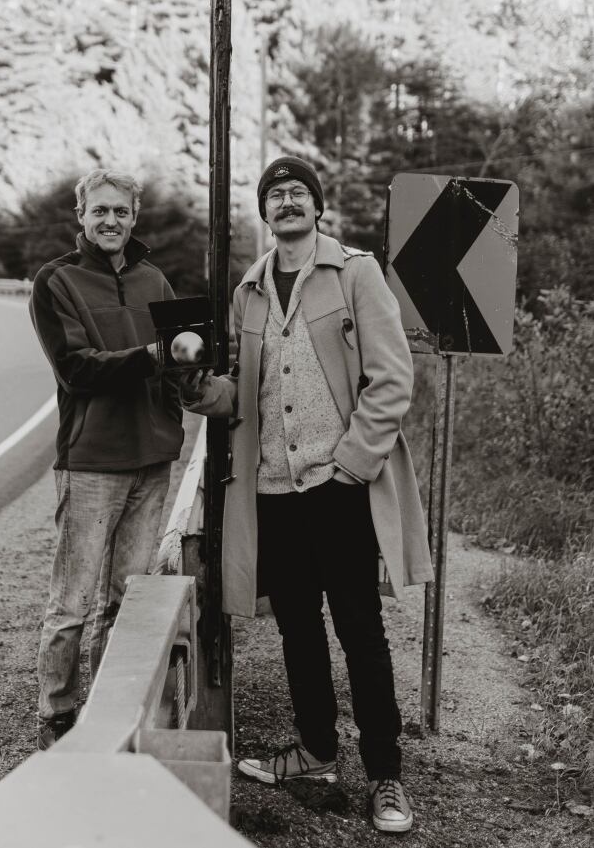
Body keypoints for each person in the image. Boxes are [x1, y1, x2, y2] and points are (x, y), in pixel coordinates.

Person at [181, 156, 433, 834]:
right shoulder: (250, 290)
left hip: (339, 484)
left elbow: (391, 378)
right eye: (275, 194)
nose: (286, 201)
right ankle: (318, 751)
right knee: (297, 628)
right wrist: (198, 389)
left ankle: (385, 773)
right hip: (274, 490)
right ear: (264, 212)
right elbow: (242, 389)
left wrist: (353, 462)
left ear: (318, 207)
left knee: (360, 629)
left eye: (298, 192)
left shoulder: (355, 271)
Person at [29, 167, 183, 750]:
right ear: (81, 216)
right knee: (71, 602)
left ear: (134, 217)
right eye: (101, 211)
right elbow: (76, 368)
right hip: (92, 462)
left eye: (121, 211)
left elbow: (179, 362)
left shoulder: (155, 280)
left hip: (152, 460)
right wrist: (148, 355)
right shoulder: (56, 281)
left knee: (127, 599)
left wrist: (178, 406)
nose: (111, 220)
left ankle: (109, 709)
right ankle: (57, 712)